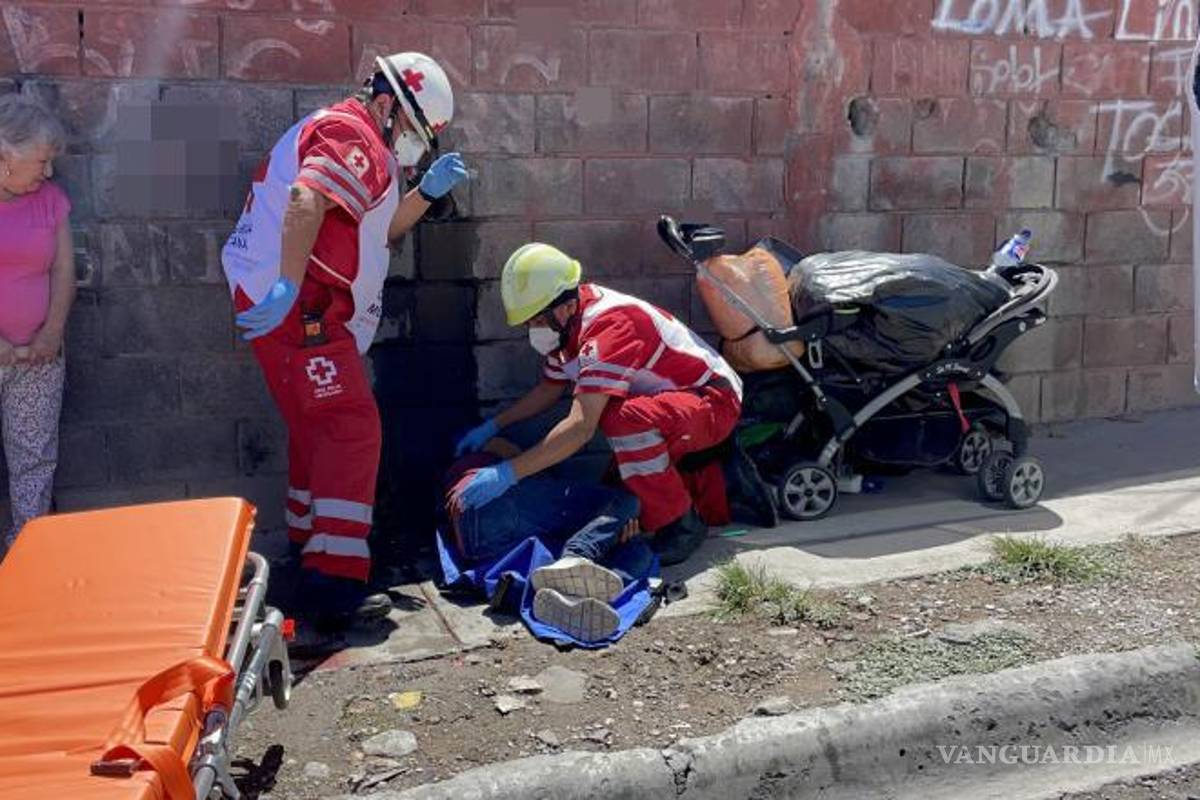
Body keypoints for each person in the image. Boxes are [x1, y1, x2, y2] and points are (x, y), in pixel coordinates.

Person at [221, 52, 470, 630]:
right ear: (386, 105)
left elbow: (383, 230)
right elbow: (307, 198)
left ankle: (309, 556)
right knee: (350, 428)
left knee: (318, 431)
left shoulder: (367, 147)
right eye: (414, 132)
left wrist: (425, 192)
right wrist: (287, 284)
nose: (413, 147)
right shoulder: (352, 133)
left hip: (300, 309)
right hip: (305, 309)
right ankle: (334, 583)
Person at [453, 243, 744, 566]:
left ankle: (682, 523)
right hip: (667, 410)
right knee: (618, 498)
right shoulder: (566, 330)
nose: (533, 331)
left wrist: (508, 473)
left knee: (621, 420)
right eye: (528, 324)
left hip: (712, 402)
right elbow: (549, 389)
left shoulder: (610, 327)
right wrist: (495, 425)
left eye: (536, 321)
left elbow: (581, 428)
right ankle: (657, 510)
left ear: (565, 306)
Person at [444, 440, 654, 643]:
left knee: (639, 550)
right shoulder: (483, 451)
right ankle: (577, 557)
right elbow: (506, 448)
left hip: (476, 539)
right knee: (627, 503)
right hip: (484, 500)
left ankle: (571, 600)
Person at [0, 95, 75, 554]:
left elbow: (64, 270)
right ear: (5, 155)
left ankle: (26, 561)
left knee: (34, 462)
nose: (47, 172)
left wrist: (52, 333)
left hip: (37, 360)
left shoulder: (51, 201)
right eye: (41, 161)